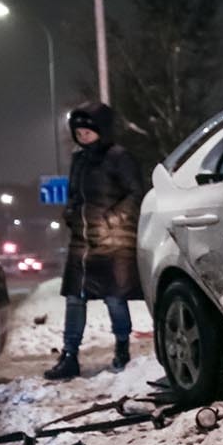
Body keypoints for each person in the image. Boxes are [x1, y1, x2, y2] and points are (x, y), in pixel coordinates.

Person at [45, 102, 146, 380]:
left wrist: (112, 220)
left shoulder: (119, 157)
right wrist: (69, 213)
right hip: (82, 243)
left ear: (100, 129)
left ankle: (122, 350)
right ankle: (69, 355)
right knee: (74, 299)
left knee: (115, 298)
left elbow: (135, 194)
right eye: (78, 131)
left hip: (113, 242)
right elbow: (76, 195)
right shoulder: (79, 160)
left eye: (87, 130)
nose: (82, 135)